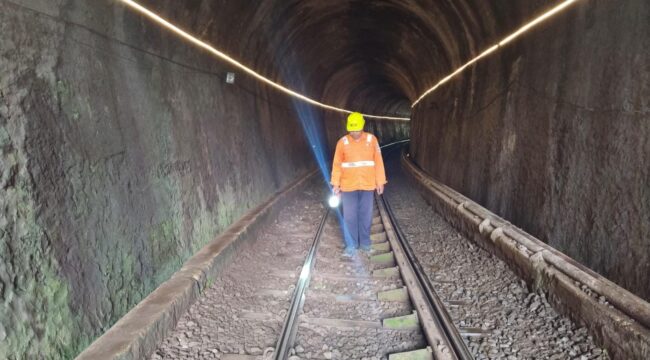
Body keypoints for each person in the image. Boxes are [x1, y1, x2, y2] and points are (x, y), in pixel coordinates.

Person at [330, 112, 387, 255]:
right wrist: (336, 184)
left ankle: (365, 244)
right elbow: (337, 164)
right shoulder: (342, 143)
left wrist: (380, 181)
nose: (354, 132)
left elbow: (378, 162)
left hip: (367, 185)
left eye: (357, 129)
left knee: (366, 214)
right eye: (352, 130)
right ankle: (351, 245)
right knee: (349, 216)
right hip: (348, 186)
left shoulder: (371, 140)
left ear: (362, 127)